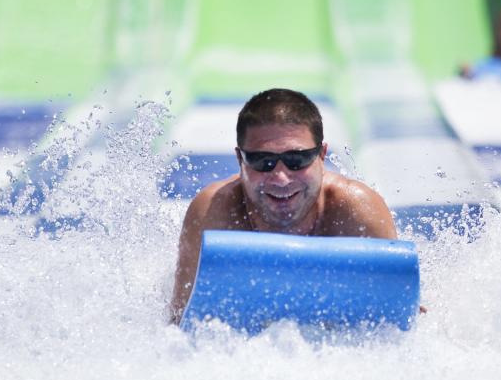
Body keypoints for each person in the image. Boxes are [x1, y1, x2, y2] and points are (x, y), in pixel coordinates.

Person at [169, 88, 397, 325]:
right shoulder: (214, 212)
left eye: (296, 160)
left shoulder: (357, 210)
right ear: (240, 160)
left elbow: (395, 330)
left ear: (322, 155)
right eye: (263, 162)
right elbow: (179, 324)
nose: (281, 178)